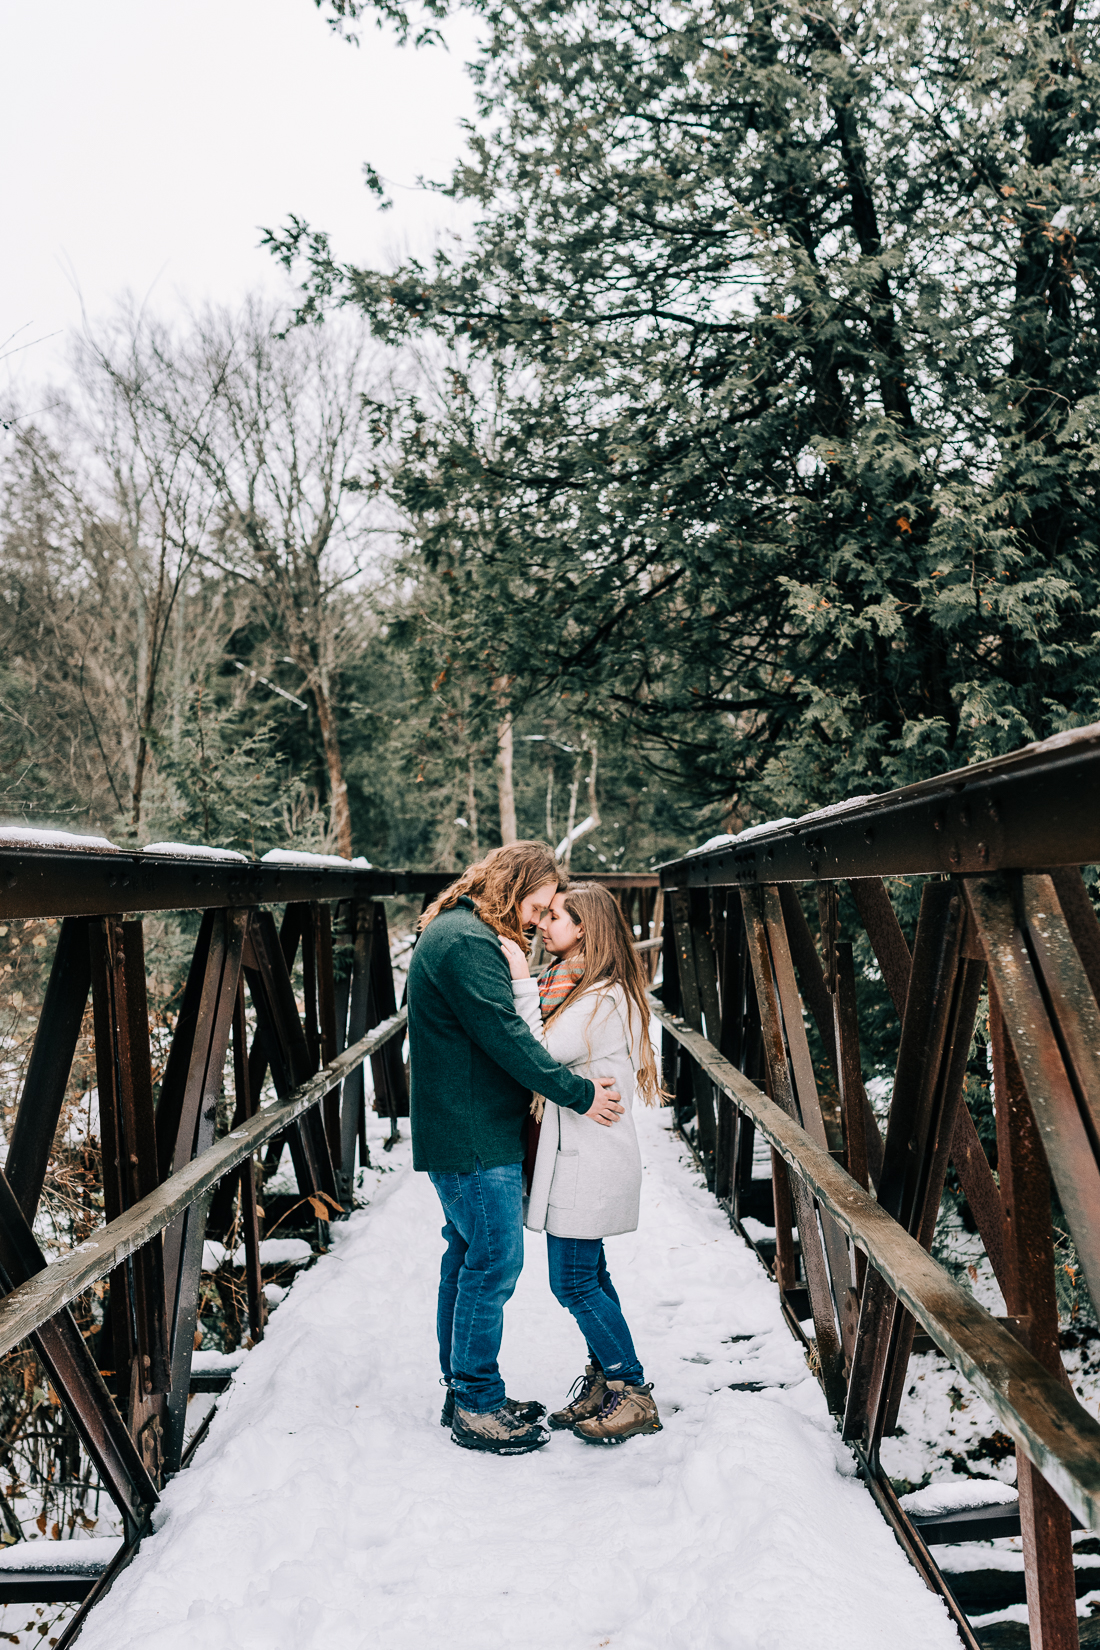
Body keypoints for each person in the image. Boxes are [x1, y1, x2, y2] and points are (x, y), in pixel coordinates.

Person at [407, 842, 625, 1457]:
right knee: (495, 1260)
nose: (535, 920)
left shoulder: (460, 932)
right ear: (512, 885)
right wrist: (578, 1093)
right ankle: (477, 1404)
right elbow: (507, 1038)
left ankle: (464, 1389)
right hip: (473, 1133)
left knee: (470, 1254)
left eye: (548, 910)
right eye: (536, 904)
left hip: (466, 1125)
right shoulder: (467, 942)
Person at [499, 881, 663, 1445]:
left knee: (572, 1282)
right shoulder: (582, 985)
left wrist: (520, 977)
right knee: (589, 1275)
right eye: (541, 916)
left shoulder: (601, 996)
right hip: (580, 1156)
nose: (543, 926)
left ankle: (631, 1389)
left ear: (586, 926)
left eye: (555, 917)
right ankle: (605, 1383)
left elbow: (536, 1051)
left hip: (587, 1161)